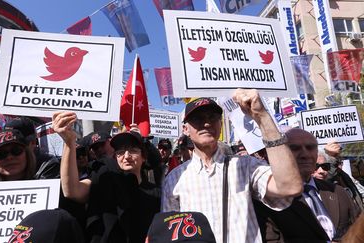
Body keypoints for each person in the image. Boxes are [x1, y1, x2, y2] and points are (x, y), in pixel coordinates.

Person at [162, 89, 302, 243]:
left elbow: (290, 187)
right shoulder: (174, 179)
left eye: (213, 117)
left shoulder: (246, 166)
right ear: (185, 129)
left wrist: (262, 117)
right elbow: (170, 235)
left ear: (220, 124)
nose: (207, 123)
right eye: (198, 119)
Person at [53, 112, 160, 243]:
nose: (126, 156)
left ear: (143, 157)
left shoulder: (156, 194)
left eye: (133, 150)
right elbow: (72, 191)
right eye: (120, 152)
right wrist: (69, 142)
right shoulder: (105, 178)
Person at [255, 128, 360, 242]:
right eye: (295, 148)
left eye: (310, 147)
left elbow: (358, 232)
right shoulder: (266, 199)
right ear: (280, 153)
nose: (305, 154)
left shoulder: (338, 192)